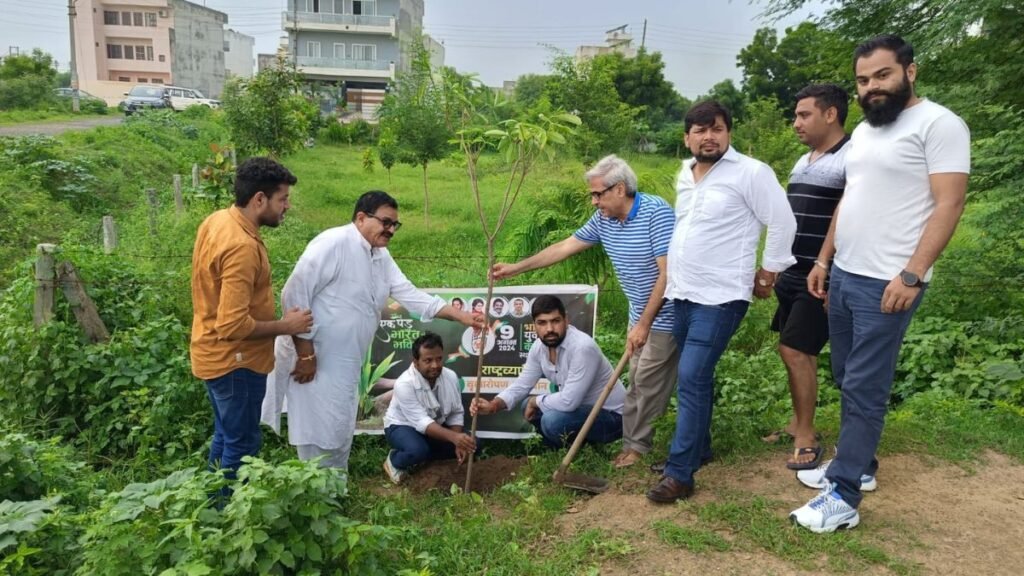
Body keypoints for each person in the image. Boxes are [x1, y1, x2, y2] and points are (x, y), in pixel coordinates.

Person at [790, 35, 969, 533]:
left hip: (889, 281)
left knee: (865, 384)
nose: (872, 87)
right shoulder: (867, 132)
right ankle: (862, 463)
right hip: (846, 273)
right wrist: (825, 259)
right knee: (846, 373)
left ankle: (843, 495)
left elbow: (950, 203)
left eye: (882, 75)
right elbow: (850, 198)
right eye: (863, 80)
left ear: (910, 71)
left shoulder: (939, 124)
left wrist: (913, 273)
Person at [261, 191, 483, 469]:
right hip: (315, 358)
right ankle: (314, 487)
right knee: (317, 428)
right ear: (361, 218)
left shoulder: (380, 255)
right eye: (385, 222)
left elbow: (411, 295)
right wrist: (306, 354)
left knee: (339, 427)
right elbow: (294, 295)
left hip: (346, 360)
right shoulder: (333, 243)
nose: (391, 230)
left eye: (395, 224)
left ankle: (334, 489)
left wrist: (463, 316)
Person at [646, 101, 797, 503]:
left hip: (721, 295)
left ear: (729, 133)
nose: (708, 137)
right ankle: (699, 448)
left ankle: (680, 473)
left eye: (716, 129)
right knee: (695, 376)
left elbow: (783, 221)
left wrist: (769, 272)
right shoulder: (685, 173)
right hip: (682, 291)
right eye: (700, 130)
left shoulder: (751, 172)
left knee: (692, 376)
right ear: (687, 138)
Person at [492, 155, 677, 469]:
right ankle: (632, 438)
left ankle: (637, 448)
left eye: (597, 194)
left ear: (619, 189)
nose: (594, 202)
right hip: (639, 314)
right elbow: (565, 246)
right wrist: (516, 268)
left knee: (646, 382)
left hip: (666, 315)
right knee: (637, 380)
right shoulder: (604, 220)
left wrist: (645, 323)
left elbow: (667, 273)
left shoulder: (655, 212)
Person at [190, 157, 314, 484]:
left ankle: (213, 501)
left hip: (211, 353)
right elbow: (232, 326)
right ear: (259, 199)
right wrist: (287, 326)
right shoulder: (241, 246)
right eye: (282, 199)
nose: (287, 206)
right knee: (242, 444)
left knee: (227, 435)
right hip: (236, 364)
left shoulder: (219, 220)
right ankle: (229, 510)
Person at [766, 84, 851, 470]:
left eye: (804, 115)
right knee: (800, 352)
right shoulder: (804, 160)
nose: (796, 123)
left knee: (795, 350)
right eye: (796, 115)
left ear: (830, 114)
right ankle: (800, 422)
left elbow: (849, 218)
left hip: (820, 275)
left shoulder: (851, 157)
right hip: (792, 270)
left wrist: (828, 269)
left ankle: (806, 436)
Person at [470, 295, 626, 449]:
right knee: (527, 406)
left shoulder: (582, 347)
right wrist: (494, 405)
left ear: (566, 320)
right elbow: (522, 384)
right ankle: (565, 449)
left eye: (555, 321)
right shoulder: (539, 347)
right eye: (542, 323)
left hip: (613, 417)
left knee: (552, 420)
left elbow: (569, 401)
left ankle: (579, 449)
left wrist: (535, 401)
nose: (549, 329)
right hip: (581, 411)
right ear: (534, 325)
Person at [382, 332, 476, 484]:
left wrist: (458, 441)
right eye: (428, 360)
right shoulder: (404, 384)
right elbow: (422, 422)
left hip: (434, 427)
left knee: (473, 444)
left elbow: (456, 412)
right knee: (418, 450)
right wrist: (454, 438)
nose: (435, 365)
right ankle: (395, 460)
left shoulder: (450, 376)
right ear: (416, 362)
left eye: (439, 359)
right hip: (402, 426)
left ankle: (424, 455)